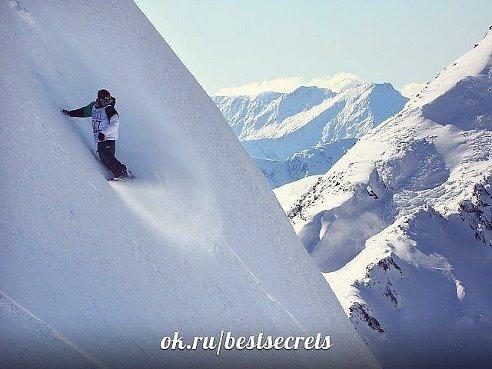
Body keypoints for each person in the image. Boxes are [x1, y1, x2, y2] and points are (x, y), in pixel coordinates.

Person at [62, 89, 132, 180]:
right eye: (104, 100)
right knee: (104, 159)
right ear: (98, 99)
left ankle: (120, 173)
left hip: (108, 138)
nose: (106, 102)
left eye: (108, 100)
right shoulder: (94, 107)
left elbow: (115, 123)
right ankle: (125, 171)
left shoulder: (109, 109)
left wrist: (104, 133)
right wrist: (70, 113)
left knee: (107, 156)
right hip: (100, 139)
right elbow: (83, 112)